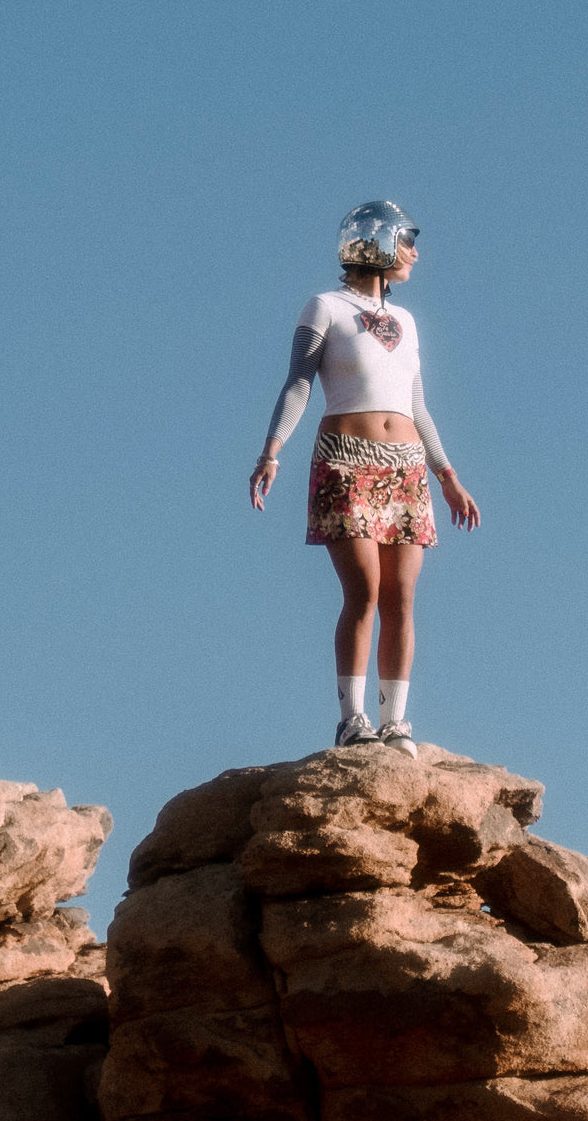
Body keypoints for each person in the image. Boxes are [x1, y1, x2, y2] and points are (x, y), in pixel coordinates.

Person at [249, 200, 480, 758]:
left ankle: (395, 721)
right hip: (346, 458)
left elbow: (416, 401)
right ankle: (352, 719)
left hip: (405, 465)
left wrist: (445, 472)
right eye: (407, 242)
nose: (415, 254)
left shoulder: (406, 321)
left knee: (402, 594)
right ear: (375, 243)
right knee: (365, 591)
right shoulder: (324, 307)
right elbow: (298, 382)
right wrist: (272, 451)